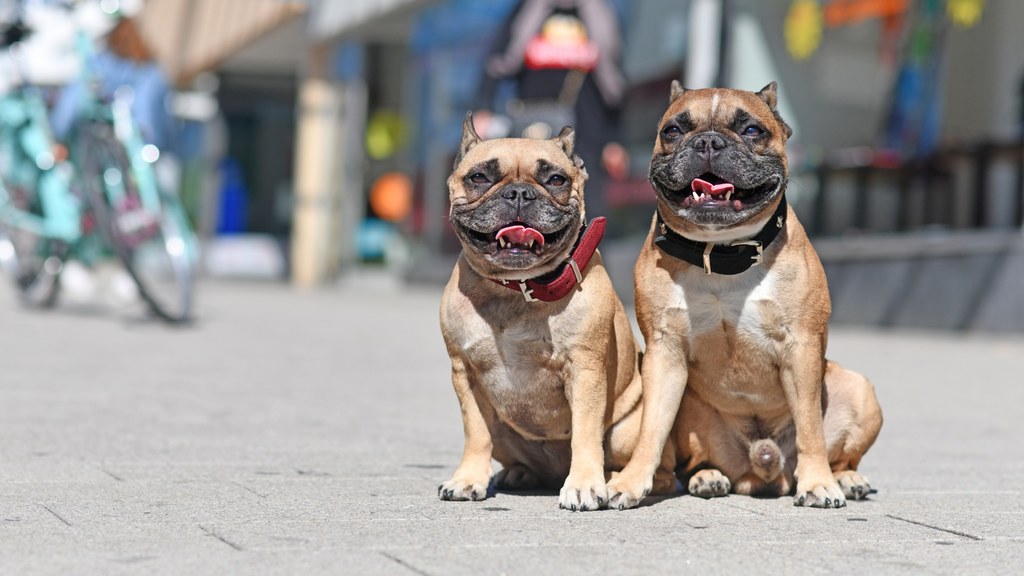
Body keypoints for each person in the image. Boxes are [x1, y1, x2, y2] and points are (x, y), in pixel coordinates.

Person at [475, 0, 629, 221]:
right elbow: (497, 62)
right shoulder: (527, 10)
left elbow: (615, 83)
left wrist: (615, 139)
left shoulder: (602, 14)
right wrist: (484, 107)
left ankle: (585, 256)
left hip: (586, 134)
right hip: (533, 132)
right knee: (531, 205)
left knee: (587, 209)